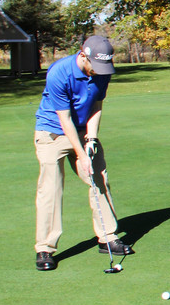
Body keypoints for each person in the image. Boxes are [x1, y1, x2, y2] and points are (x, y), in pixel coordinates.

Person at [33, 35, 128, 270]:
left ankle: (107, 237)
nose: (99, 71)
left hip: (84, 129)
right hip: (52, 132)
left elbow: (96, 105)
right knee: (51, 188)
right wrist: (81, 155)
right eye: (96, 65)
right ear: (83, 55)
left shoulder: (102, 71)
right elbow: (64, 119)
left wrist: (92, 139)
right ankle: (45, 248)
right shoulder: (59, 73)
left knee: (99, 179)